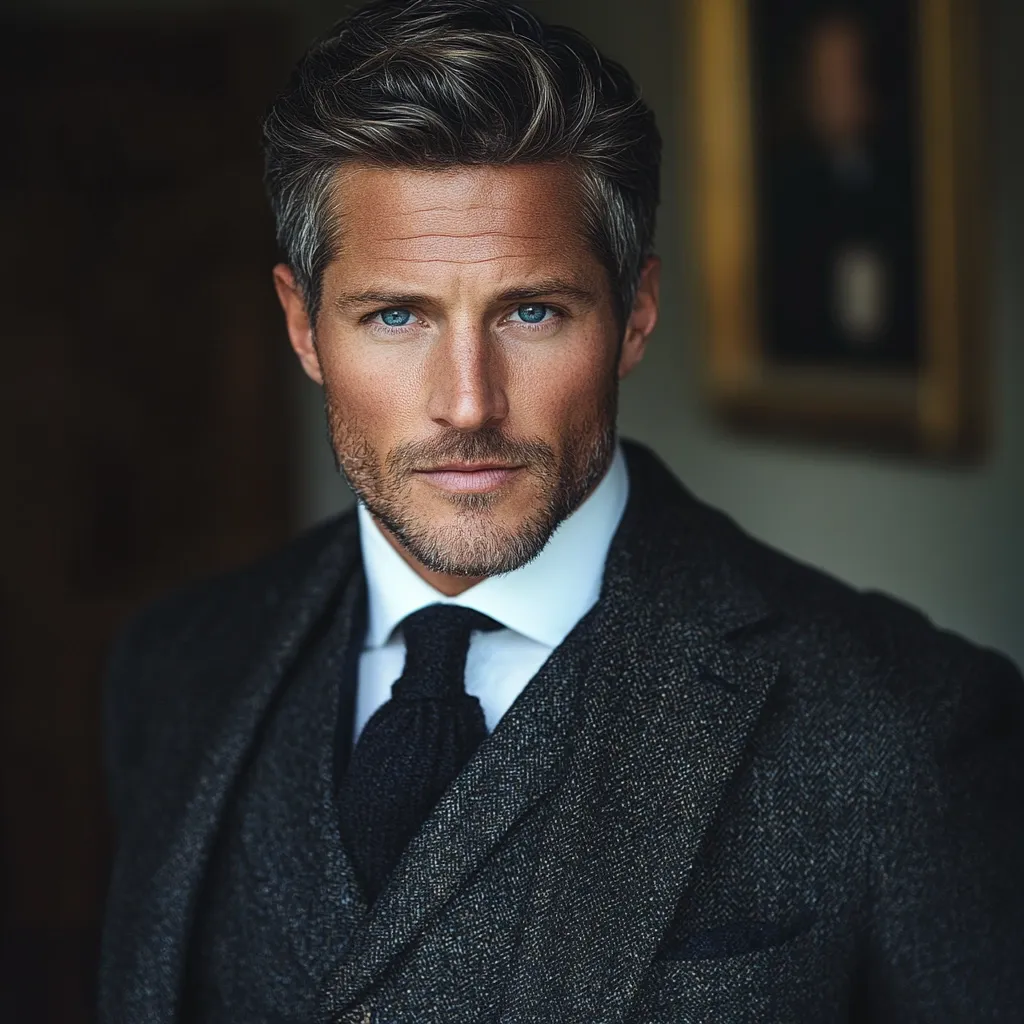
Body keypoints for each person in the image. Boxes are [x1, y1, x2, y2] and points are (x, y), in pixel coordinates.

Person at [98, 1, 1024, 1021]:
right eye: (394, 315)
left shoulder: (907, 728)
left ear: (632, 318)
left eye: (531, 311)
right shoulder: (176, 664)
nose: (467, 401)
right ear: (303, 326)